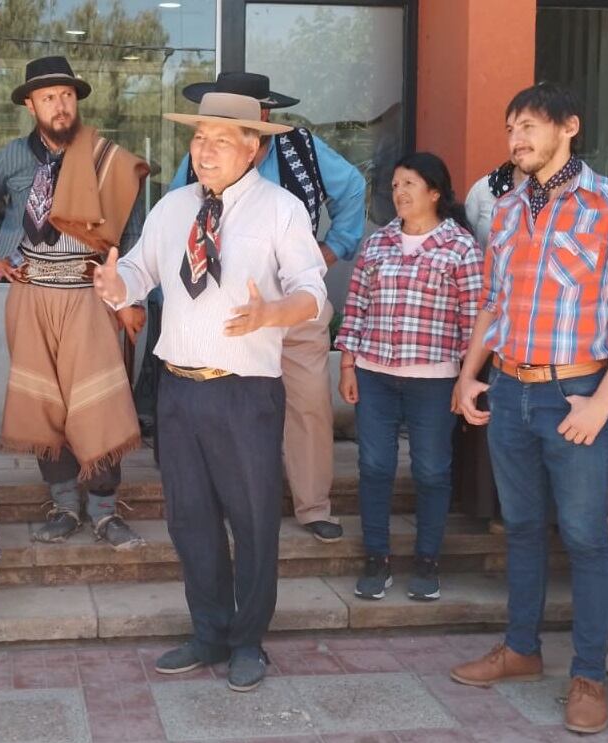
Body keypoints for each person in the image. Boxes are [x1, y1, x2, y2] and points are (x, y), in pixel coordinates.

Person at [94, 92, 327, 692]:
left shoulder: (281, 210)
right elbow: (141, 273)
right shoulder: (172, 208)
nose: (205, 150)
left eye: (221, 139)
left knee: (252, 521)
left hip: (245, 393)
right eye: (199, 138)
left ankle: (248, 640)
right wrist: (115, 284)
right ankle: (209, 631)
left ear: (253, 146)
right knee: (189, 519)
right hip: (178, 390)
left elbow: (313, 292)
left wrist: (274, 311)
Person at [449, 83, 608, 736]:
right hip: (510, 391)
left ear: (570, 126)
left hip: (575, 395)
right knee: (519, 528)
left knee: (585, 536)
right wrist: (468, 376)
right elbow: (492, 303)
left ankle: (589, 675)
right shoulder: (508, 210)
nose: (516, 138)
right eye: (510, 126)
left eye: (531, 126)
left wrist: (602, 400)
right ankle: (521, 649)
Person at [0, 56, 150, 549]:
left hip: (90, 296)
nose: (60, 106)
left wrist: (123, 286)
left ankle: (106, 512)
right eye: (48, 98)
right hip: (30, 295)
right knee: (44, 404)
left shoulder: (105, 158)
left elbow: (128, 230)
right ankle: (65, 506)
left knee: (100, 402)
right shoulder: (10, 159)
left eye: (66, 95)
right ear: (30, 105)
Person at [168, 72, 366, 542]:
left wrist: (333, 248)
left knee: (307, 402)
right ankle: (240, 503)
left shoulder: (304, 147)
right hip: (228, 308)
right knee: (231, 405)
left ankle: (313, 504)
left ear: (265, 115)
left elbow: (354, 187)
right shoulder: (205, 154)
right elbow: (177, 208)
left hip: (296, 301)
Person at [333, 152, 483, 602]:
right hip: (375, 374)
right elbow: (355, 306)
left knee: (432, 470)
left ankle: (427, 561)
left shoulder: (460, 246)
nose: (399, 192)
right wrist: (347, 363)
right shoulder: (377, 244)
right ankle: (376, 560)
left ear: (435, 192)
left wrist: (466, 378)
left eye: (409, 184)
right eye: (395, 185)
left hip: (435, 379)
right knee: (374, 467)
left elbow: (474, 319)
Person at [456, 157, 523, 525]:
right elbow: (471, 244)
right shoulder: (485, 190)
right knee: (483, 408)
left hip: (535, 322)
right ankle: (483, 505)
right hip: (486, 311)